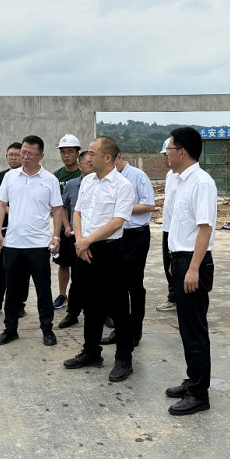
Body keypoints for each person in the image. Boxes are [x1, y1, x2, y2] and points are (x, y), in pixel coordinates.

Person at [63, 136, 136, 382]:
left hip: (110, 251)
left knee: (118, 307)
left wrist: (88, 241)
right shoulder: (88, 181)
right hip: (84, 249)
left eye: (92, 153)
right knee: (90, 304)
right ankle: (91, 352)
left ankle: (124, 358)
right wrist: (80, 241)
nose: (88, 157)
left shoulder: (123, 185)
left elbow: (117, 222)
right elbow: (77, 213)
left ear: (107, 157)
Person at [163, 127, 217, 416]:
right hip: (182, 259)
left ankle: (199, 393)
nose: (166, 154)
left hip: (194, 261)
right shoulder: (180, 180)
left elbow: (205, 229)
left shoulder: (201, 182)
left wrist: (193, 268)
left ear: (182, 152)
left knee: (195, 329)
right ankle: (193, 379)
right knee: (186, 327)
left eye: (169, 149)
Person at [0, 135, 64, 347]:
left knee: (43, 290)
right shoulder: (10, 177)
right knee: (12, 290)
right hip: (13, 244)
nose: (24, 156)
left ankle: (47, 329)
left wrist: (56, 236)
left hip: (39, 245)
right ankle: (10, 329)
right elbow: (0, 205)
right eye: (22, 152)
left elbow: (57, 209)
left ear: (40, 156)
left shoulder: (49, 179)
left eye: (29, 153)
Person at [101, 150, 155, 346]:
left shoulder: (137, 176)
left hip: (136, 236)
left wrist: (122, 208)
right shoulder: (107, 179)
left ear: (118, 156)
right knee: (117, 285)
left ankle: (134, 331)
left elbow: (149, 205)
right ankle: (120, 330)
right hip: (116, 236)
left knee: (134, 285)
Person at [0, 143, 28, 319]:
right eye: (11, 155)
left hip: (22, 231)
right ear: (6, 156)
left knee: (21, 270)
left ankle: (19, 305)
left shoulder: (27, 177)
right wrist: (11, 211)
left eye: (17, 154)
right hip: (2, 228)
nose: (14, 158)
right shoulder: (1, 176)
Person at [57, 152, 93, 329]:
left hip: (96, 238)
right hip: (77, 238)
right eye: (88, 163)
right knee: (77, 278)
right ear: (80, 166)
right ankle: (73, 313)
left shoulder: (103, 184)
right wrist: (67, 226)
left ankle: (104, 314)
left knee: (99, 279)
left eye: (93, 163)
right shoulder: (72, 185)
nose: (91, 166)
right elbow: (61, 207)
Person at [52, 134, 82, 310]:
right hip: (64, 229)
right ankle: (63, 295)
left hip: (83, 229)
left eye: (70, 151)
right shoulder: (57, 176)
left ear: (77, 153)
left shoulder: (84, 173)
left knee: (81, 266)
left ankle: (81, 296)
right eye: (63, 152)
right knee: (63, 263)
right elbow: (56, 205)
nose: (66, 155)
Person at [156, 138, 177, 312]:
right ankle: (173, 297)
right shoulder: (170, 175)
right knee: (167, 264)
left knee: (177, 266)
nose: (165, 158)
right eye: (164, 154)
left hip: (178, 229)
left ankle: (176, 298)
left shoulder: (188, 177)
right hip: (167, 227)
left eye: (167, 154)